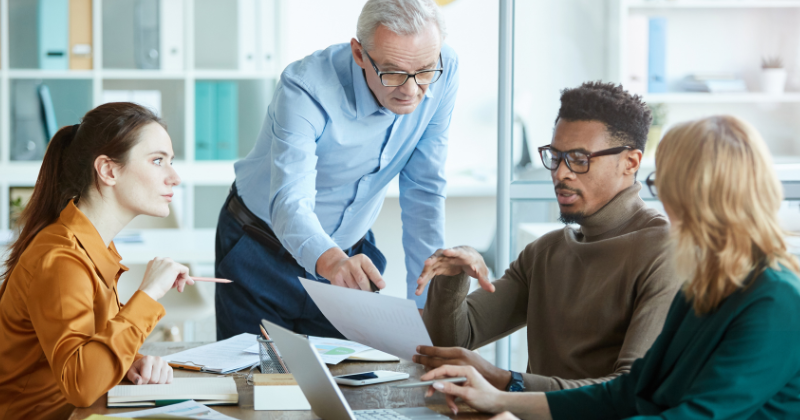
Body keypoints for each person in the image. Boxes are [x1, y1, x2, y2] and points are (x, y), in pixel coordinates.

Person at [422, 115, 800, 419]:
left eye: (665, 183)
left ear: (701, 194)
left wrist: (506, 390)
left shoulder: (776, 301)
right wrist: (500, 400)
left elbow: (694, 414)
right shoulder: (708, 284)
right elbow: (630, 392)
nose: (562, 173)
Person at [215, 0, 459, 340]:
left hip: (349, 255)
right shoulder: (304, 87)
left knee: (349, 381)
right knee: (256, 383)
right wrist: (332, 262)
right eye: (392, 72)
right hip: (259, 248)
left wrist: (426, 311)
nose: (411, 89)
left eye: (425, 71)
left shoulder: (444, 69)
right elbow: (290, 201)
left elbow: (424, 190)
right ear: (359, 54)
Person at [414, 82, 681, 392]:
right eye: (556, 156)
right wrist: (453, 279)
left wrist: (506, 381)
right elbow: (452, 342)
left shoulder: (667, 252)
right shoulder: (546, 252)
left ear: (631, 162)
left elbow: (631, 390)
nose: (561, 173)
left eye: (580, 159)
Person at [0, 103, 194, 420]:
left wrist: (131, 361)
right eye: (158, 161)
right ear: (108, 170)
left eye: (170, 162)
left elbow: (86, 349)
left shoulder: (92, 245)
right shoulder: (61, 258)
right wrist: (147, 295)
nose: (174, 177)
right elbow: (81, 383)